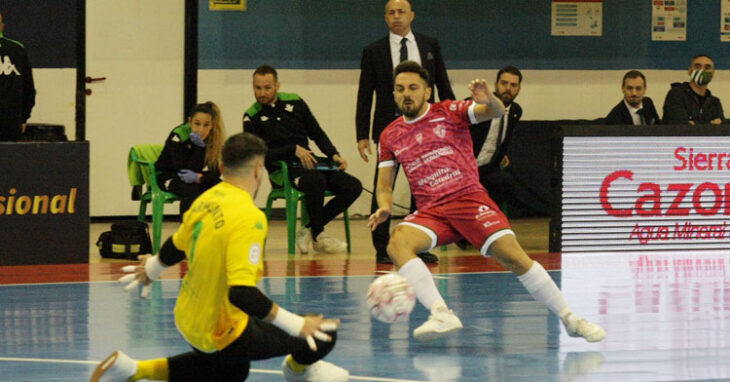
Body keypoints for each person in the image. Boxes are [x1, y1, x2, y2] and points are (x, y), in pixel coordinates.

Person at [368, 61, 606, 343]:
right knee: (397, 243)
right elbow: (384, 184)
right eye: (400, 89)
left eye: (413, 88)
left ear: (427, 91)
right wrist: (384, 205)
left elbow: (494, 111)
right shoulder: (390, 135)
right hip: (431, 211)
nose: (406, 94)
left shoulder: (449, 111)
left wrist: (489, 99)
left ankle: (570, 319)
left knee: (515, 258)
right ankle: (441, 312)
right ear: (394, 94)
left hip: (468, 199)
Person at [91, 133, 349, 382]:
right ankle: (299, 371)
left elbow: (177, 244)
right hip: (221, 329)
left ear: (222, 166)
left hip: (188, 318)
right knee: (324, 331)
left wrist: (153, 269)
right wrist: (297, 325)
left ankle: (134, 370)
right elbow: (241, 293)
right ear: (259, 170)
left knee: (232, 372)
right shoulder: (250, 217)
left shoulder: (206, 200)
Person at [356, 0, 455, 264]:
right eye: (391, 13)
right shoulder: (374, 50)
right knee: (383, 186)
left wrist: (452, 121)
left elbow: (443, 84)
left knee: (423, 188)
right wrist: (361, 134)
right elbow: (365, 94)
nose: (397, 17)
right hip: (389, 130)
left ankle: (419, 243)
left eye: (401, 12)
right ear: (385, 18)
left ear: (411, 15)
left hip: (426, 128)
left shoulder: (429, 45)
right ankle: (381, 248)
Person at [243, 65, 361, 254]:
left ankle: (308, 228)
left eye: (267, 88)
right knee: (316, 181)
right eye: (257, 88)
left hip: (310, 164)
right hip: (283, 171)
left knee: (353, 186)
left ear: (277, 86)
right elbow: (257, 157)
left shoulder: (295, 102)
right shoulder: (251, 116)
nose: (262, 93)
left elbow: (317, 132)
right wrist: (291, 149)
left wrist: (333, 154)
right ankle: (318, 236)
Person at [156, 101, 225, 216]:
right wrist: (199, 147)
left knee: (221, 186)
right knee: (191, 187)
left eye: (206, 125)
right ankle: (188, 228)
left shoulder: (213, 138)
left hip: (193, 176)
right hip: (169, 176)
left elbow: (216, 172)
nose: (201, 130)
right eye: (197, 124)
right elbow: (184, 170)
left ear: (212, 125)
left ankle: (219, 227)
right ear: (190, 122)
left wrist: (200, 178)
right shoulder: (178, 135)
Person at [0, 11, 35, 141]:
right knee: (9, 159)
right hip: (11, 122)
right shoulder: (18, 49)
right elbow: (29, 90)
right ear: (2, 27)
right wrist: (24, 117)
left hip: (12, 121)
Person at [662, 54, 725, 125]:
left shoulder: (714, 102)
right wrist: (710, 123)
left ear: (713, 73)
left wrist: (694, 123)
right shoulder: (676, 94)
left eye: (707, 68)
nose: (702, 71)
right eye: (698, 67)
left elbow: (721, 127)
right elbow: (679, 126)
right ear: (690, 71)